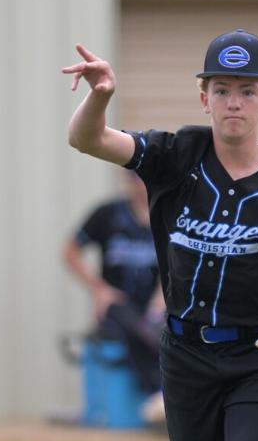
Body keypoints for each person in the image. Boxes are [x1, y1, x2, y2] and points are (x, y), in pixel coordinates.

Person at [62, 30, 258, 441]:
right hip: (184, 357)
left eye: (248, 90)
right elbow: (86, 139)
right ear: (203, 98)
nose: (233, 101)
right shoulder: (174, 155)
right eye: (221, 89)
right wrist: (101, 95)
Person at [62, 170, 165, 420]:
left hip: (151, 304)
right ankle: (158, 392)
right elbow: (70, 251)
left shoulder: (166, 215)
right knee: (131, 324)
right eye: (137, 179)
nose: (142, 185)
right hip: (115, 304)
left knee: (163, 326)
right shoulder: (107, 214)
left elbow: (177, 261)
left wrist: (162, 296)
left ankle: (172, 397)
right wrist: (99, 288)